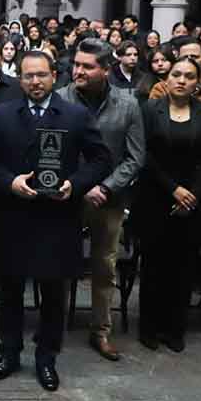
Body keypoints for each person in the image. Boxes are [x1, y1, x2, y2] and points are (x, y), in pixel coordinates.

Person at [0, 50, 111, 391]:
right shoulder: (1, 114)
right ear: (19, 78)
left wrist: (77, 183)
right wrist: (9, 182)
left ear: (54, 75)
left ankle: (46, 358)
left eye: (41, 75)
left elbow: (100, 159)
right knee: (9, 292)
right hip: (12, 216)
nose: (35, 82)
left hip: (57, 218)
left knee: (53, 294)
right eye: (28, 76)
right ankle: (9, 353)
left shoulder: (75, 114)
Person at [57, 39, 145, 362]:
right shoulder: (61, 98)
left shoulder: (127, 104)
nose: (78, 71)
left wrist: (106, 187)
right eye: (76, 65)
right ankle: (56, 326)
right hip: (68, 194)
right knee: (61, 260)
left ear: (106, 70)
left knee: (104, 265)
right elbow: (55, 151)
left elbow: (135, 157)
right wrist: (79, 185)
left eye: (87, 66)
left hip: (108, 198)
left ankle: (101, 330)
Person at [135, 57, 201, 352]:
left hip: (193, 201)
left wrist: (192, 194)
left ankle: (175, 329)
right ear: (167, 79)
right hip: (156, 197)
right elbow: (144, 154)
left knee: (183, 267)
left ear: (198, 82)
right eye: (176, 75)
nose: (181, 80)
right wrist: (173, 189)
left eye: (188, 76)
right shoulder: (150, 110)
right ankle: (148, 327)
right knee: (153, 267)